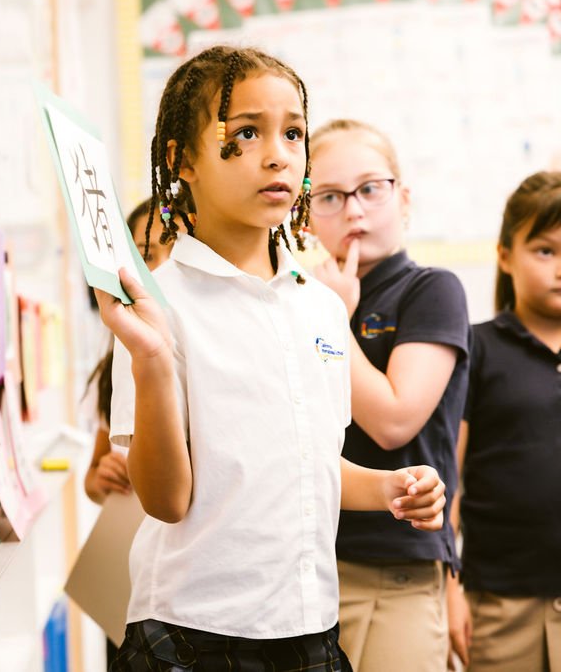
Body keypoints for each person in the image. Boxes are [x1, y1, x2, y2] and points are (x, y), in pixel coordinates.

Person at [95, 45, 447, 672]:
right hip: (191, 631)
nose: (277, 153)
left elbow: (312, 468)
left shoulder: (317, 306)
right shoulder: (160, 304)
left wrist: (390, 487)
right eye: (247, 131)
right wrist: (150, 361)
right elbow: (166, 501)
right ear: (181, 161)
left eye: (292, 133)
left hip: (309, 627)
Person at [307, 119, 470, 671]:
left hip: (394, 566)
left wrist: (335, 318)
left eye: (370, 188)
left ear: (403, 198)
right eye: (330, 196)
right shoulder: (298, 296)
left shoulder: (431, 290)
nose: (353, 211)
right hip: (304, 564)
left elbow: (395, 419)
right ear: (304, 213)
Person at [446, 171, 561, 672]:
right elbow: (446, 480)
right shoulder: (475, 348)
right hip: (499, 608)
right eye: (545, 250)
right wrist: (450, 592)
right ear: (505, 255)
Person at [84, 198, 179, 504]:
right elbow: (92, 481)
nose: (161, 269)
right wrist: (101, 478)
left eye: (177, 251)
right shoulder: (115, 367)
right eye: (146, 256)